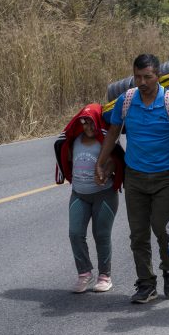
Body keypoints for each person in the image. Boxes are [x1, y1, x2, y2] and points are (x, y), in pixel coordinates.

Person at [96, 54, 169, 304]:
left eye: (148, 76)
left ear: (158, 75)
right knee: (138, 234)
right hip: (135, 177)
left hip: (164, 177)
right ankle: (146, 283)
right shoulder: (126, 101)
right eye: (138, 77)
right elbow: (113, 132)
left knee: (162, 229)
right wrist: (100, 162)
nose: (143, 82)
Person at [55, 103, 124, 293]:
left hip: (104, 195)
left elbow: (115, 163)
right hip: (79, 194)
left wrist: (105, 173)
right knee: (75, 233)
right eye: (84, 123)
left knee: (101, 235)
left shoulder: (105, 141)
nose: (89, 127)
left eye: (92, 123)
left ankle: (105, 276)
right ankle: (84, 273)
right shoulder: (74, 141)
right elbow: (66, 159)